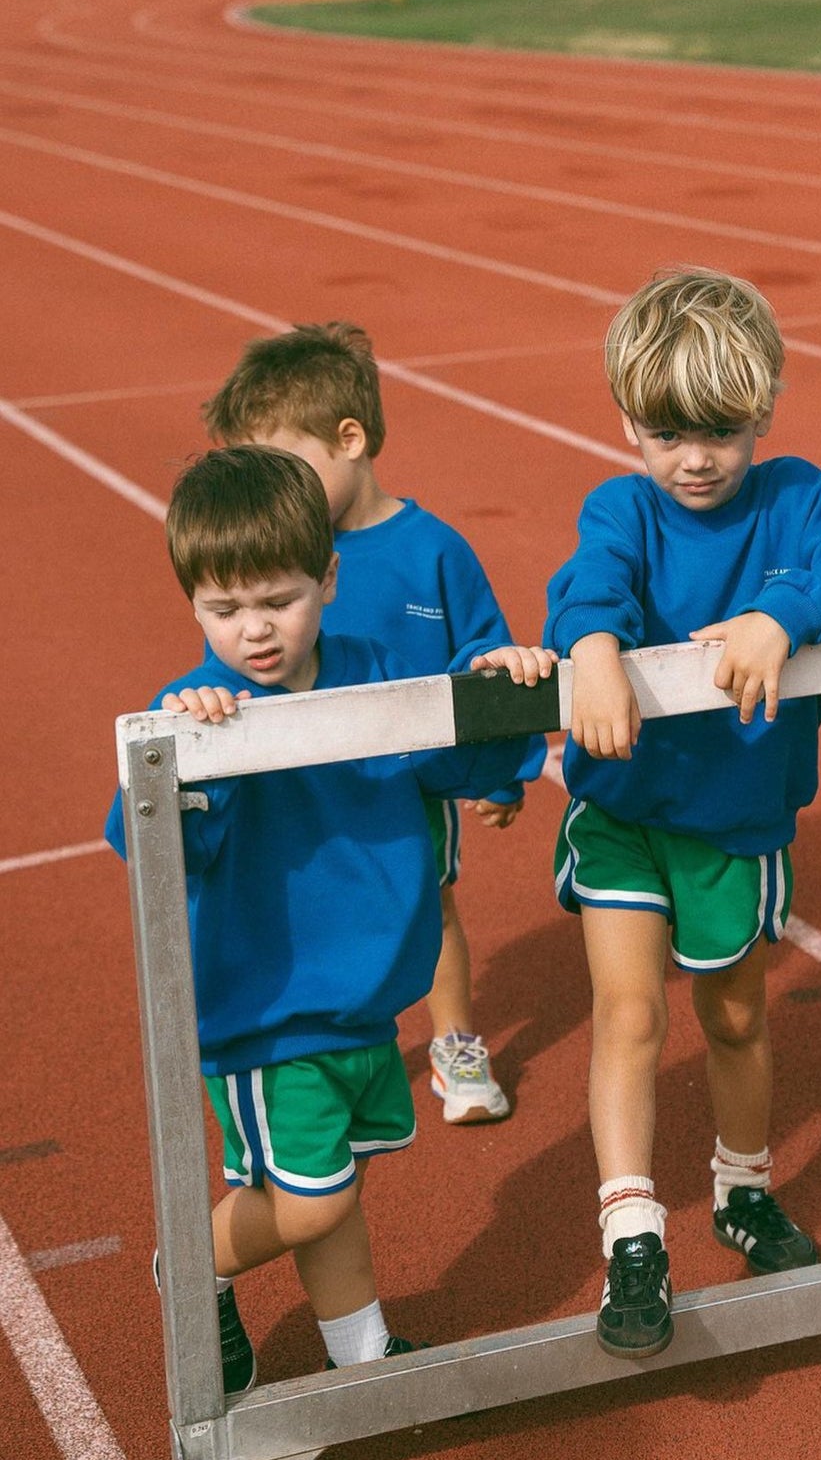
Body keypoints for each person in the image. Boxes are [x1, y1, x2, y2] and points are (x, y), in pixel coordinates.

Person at [106, 446, 552, 1393]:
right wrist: (192, 750)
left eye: (279, 601)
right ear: (192, 604)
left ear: (330, 579)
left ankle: (362, 1356)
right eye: (224, 611)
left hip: (364, 1003)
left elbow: (467, 757)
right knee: (311, 1204)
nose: (255, 631)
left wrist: (499, 679)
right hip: (269, 1013)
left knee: (332, 1196)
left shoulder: (377, 672)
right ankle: (187, 1268)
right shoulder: (197, 715)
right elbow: (140, 841)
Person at [544, 267, 821, 1357]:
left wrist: (778, 617)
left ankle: (744, 1189)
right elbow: (588, 579)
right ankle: (633, 1230)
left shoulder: (795, 498)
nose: (693, 459)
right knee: (630, 1015)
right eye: (664, 433)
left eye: (719, 432)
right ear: (626, 423)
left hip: (734, 824)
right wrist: (595, 649)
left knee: (735, 1018)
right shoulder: (623, 506)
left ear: (763, 410)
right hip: (624, 813)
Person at [202, 322, 542, 1125]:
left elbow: (485, 654)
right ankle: (325, 1040)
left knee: (435, 897)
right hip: (303, 783)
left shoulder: (433, 550)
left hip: (409, 779)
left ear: (349, 438)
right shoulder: (278, 563)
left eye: (283, 466)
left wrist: (500, 775)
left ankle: (455, 1043)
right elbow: (231, 664)